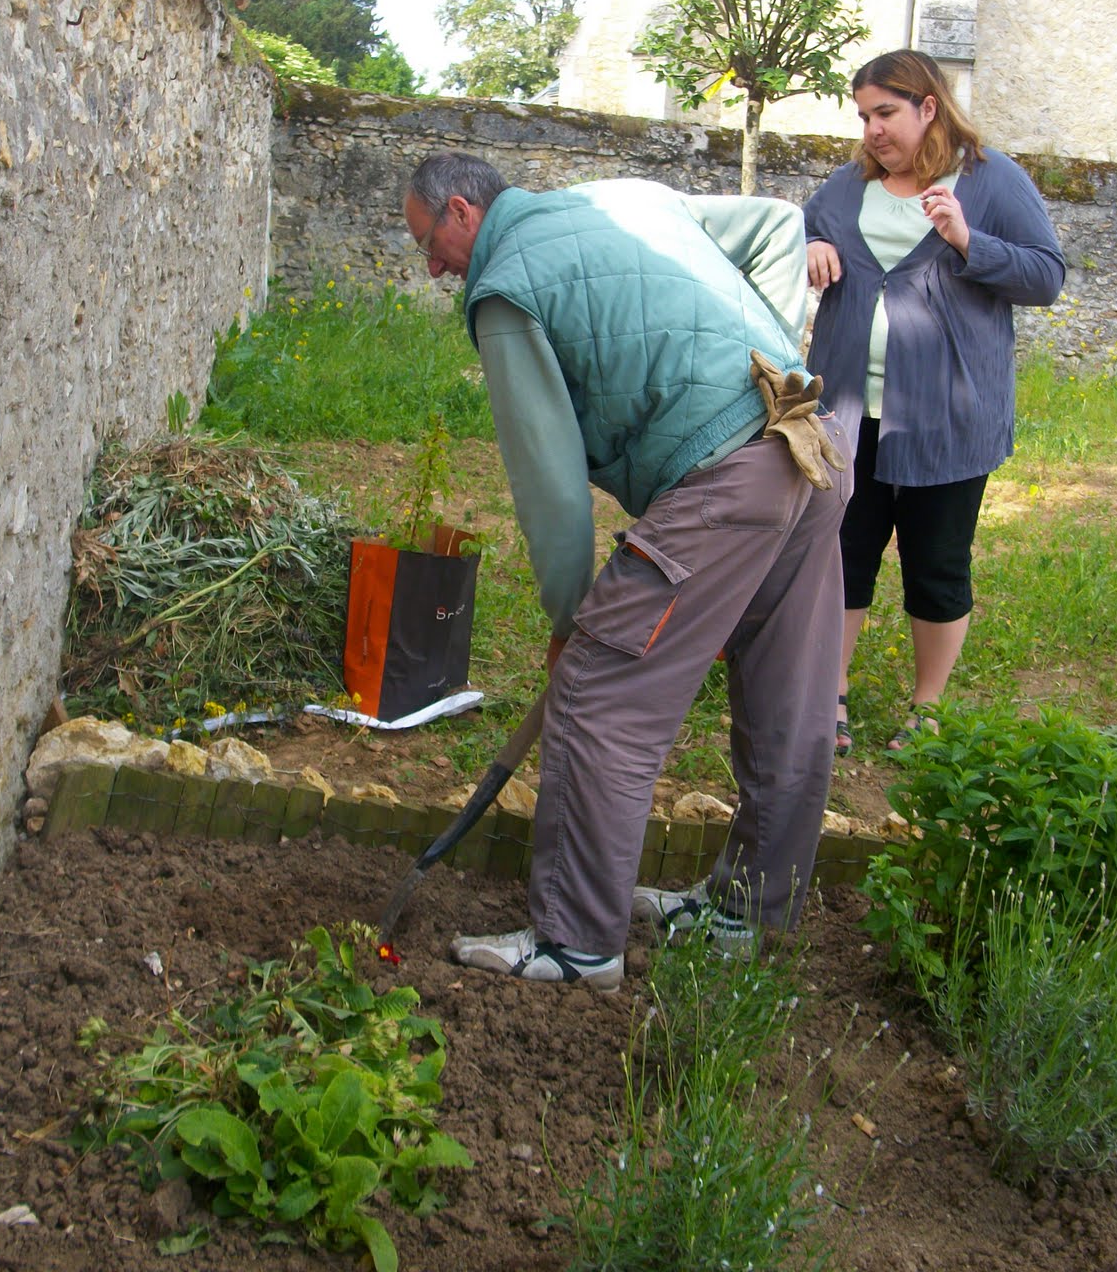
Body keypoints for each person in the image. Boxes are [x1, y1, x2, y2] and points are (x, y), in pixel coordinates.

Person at [402, 151, 851, 991]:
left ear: (463, 212)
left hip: (730, 477)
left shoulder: (504, 288)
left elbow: (549, 484)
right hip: (810, 439)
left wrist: (573, 624)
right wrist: (770, 358)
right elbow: (779, 226)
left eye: (429, 244)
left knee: (598, 695)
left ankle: (575, 944)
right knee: (789, 697)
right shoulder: (628, 197)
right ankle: (747, 916)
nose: (432, 268)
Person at [804, 50, 1065, 755]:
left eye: (885, 113)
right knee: (841, 555)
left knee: (937, 563)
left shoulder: (989, 180)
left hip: (950, 417)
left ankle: (927, 709)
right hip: (848, 416)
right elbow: (802, 229)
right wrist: (813, 245)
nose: (872, 130)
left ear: (928, 107)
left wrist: (967, 241)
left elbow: (1046, 277)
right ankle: (829, 696)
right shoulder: (847, 184)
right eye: (863, 116)